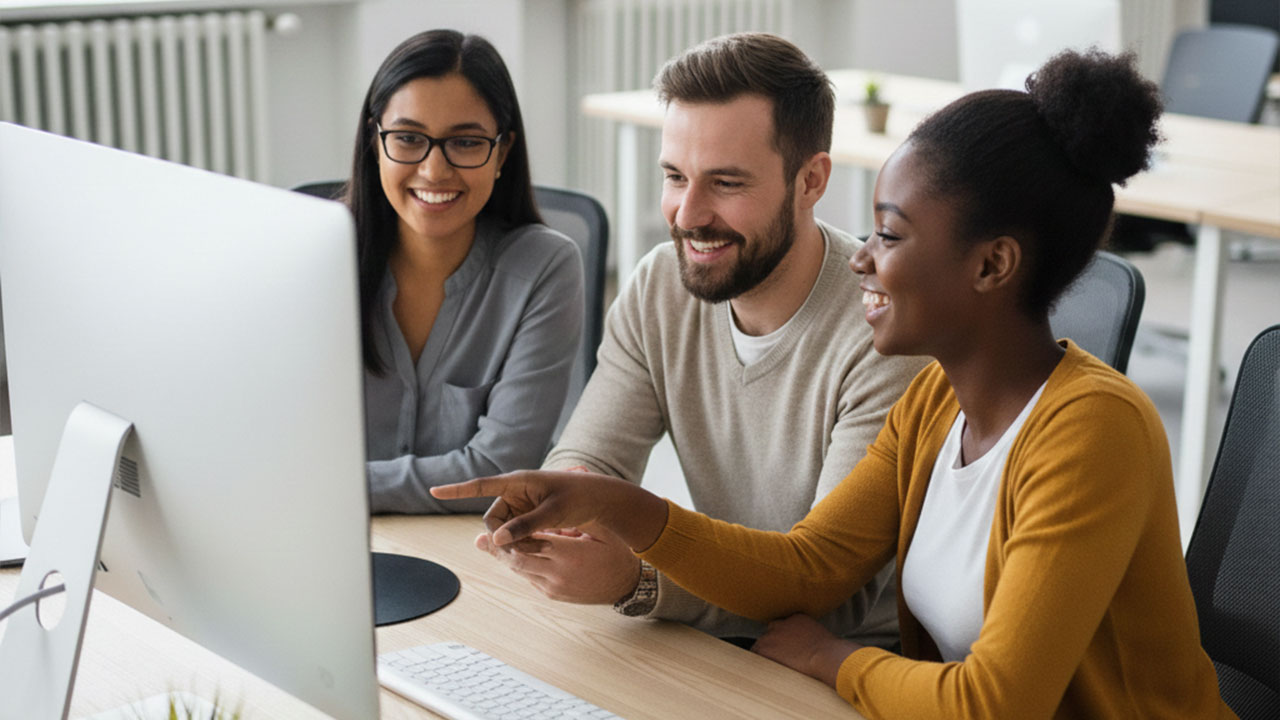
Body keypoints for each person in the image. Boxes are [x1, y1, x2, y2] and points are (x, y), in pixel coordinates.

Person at [436, 48, 1233, 718]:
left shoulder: (1094, 428)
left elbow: (995, 703)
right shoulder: (934, 404)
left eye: (888, 234)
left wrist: (831, 659)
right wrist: (617, 506)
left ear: (991, 265)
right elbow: (809, 566)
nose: (861, 257)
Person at [477, 32, 925, 646]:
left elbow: (830, 596)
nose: (687, 214)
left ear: (810, 181)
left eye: (727, 183)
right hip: (716, 639)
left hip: (843, 668)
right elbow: (593, 462)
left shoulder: (887, 332)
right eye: (674, 176)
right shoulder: (661, 284)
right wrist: (562, 517)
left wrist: (640, 581)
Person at [347, 30, 584, 513]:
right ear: (375, 143)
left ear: (501, 152)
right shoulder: (318, 260)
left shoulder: (544, 269)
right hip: (332, 543)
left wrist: (336, 487)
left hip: (477, 552)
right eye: (409, 138)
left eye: (466, 142)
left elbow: (500, 470)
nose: (435, 171)